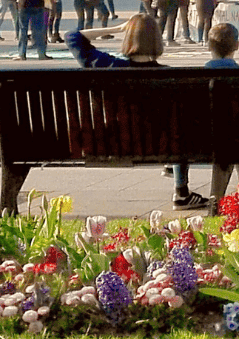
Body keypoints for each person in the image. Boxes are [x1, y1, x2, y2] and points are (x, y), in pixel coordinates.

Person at [66, 14, 206, 208]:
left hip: (114, 143)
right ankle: (181, 191)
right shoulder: (171, 76)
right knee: (180, 127)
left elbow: (72, 36)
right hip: (163, 146)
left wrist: (116, 29)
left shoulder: (109, 66)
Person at [202, 22, 239, 204]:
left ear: (209, 46)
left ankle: (216, 199)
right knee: (238, 138)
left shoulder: (199, 75)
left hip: (207, 137)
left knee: (225, 143)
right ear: (236, 46)